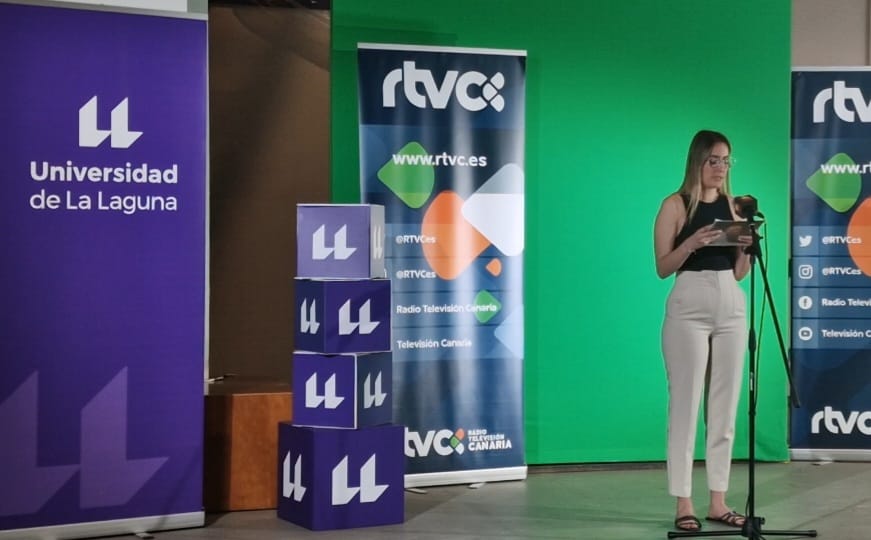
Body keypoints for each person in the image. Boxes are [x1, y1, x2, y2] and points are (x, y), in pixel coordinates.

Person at [653, 130, 752, 532]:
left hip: (731, 305)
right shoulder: (675, 205)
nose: (721, 167)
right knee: (686, 404)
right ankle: (683, 502)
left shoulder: (733, 206)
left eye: (726, 160)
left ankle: (718, 501)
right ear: (697, 161)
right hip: (689, 305)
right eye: (714, 160)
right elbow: (663, 267)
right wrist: (692, 242)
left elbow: (740, 272)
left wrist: (747, 245)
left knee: (724, 409)